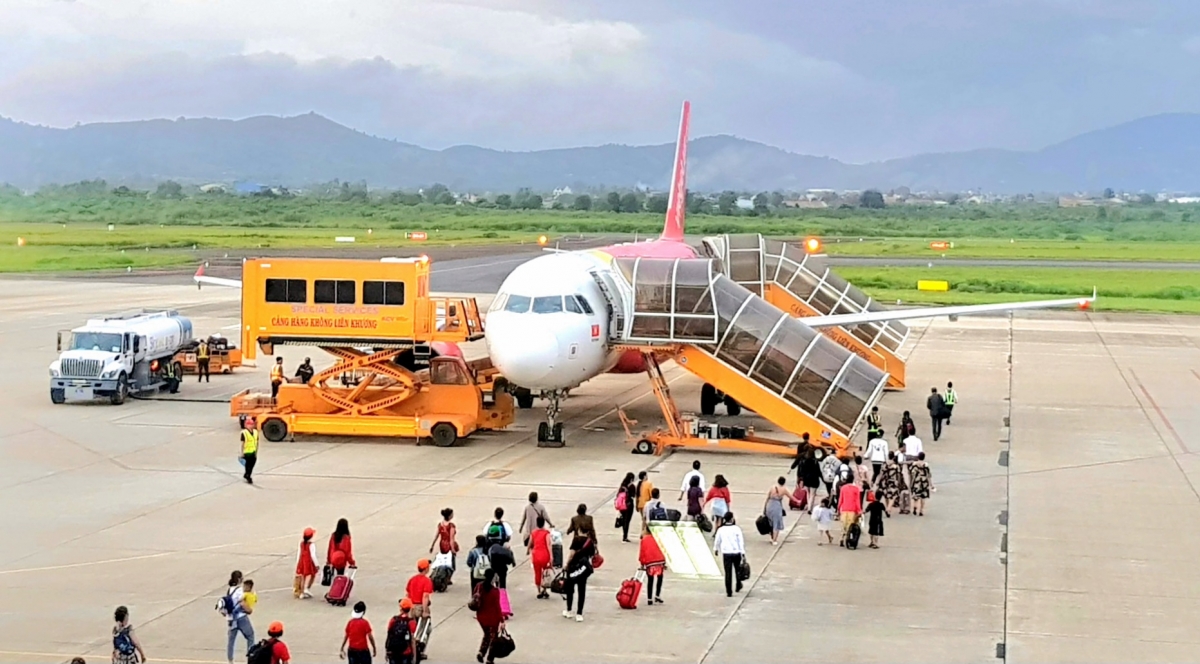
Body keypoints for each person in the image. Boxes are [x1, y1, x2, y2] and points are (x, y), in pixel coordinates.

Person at [473, 570, 505, 664]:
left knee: (487, 635)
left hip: (481, 616)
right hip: (492, 618)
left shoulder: (479, 586)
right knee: (493, 638)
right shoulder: (495, 591)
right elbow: (497, 607)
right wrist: (502, 620)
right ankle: (489, 659)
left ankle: (481, 652)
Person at [223, 570, 254, 664]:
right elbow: (242, 603)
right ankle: (251, 659)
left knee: (231, 640)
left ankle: (230, 660)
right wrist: (249, 610)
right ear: (239, 579)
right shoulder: (240, 590)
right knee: (250, 636)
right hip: (241, 617)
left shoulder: (230, 590)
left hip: (231, 618)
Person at [712, 512, 746, 598]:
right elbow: (740, 542)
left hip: (726, 553)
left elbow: (717, 540)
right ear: (732, 519)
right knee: (738, 570)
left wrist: (716, 549)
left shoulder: (721, 529)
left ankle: (729, 591)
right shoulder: (736, 529)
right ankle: (738, 584)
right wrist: (743, 552)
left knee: (728, 572)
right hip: (736, 552)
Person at [563, 533, 595, 622]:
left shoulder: (576, 539)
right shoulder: (590, 541)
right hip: (583, 568)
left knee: (570, 589)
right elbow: (592, 555)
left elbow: (571, 554)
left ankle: (569, 610)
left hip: (573, 567)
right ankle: (579, 613)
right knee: (582, 590)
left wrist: (566, 564)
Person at [639, 530, 667, 605]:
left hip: (649, 562)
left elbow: (642, 552)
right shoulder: (660, 538)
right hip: (659, 560)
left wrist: (642, 563)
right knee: (660, 577)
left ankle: (649, 598)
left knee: (650, 580)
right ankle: (657, 595)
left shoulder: (644, 539)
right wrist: (664, 562)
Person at [385, 600, 417, 664]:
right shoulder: (411, 622)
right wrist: (414, 656)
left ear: (401, 608)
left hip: (393, 651)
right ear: (410, 609)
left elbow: (389, 635)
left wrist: (387, 651)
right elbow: (412, 640)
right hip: (406, 652)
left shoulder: (393, 620)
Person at [429, 508, 458, 574]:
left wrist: (432, 545)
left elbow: (436, 536)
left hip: (442, 544)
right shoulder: (451, 526)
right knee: (451, 562)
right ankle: (448, 577)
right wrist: (453, 549)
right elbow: (451, 538)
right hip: (448, 545)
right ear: (450, 516)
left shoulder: (440, 524)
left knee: (443, 560)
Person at [529, 516, 552, 598]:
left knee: (537, 573)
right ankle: (544, 590)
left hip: (536, 555)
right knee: (545, 573)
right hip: (545, 555)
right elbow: (548, 545)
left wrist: (528, 550)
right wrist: (551, 557)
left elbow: (530, 543)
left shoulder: (533, 532)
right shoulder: (546, 533)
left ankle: (539, 591)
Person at [837, 478, 863, 547]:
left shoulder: (843, 488)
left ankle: (841, 538)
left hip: (844, 509)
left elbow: (840, 499)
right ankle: (848, 539)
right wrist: (859, 510)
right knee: (850, 526)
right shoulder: (856, 489)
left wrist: (838, 508)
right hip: (853, 510)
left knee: (843, 525)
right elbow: (857, 500)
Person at [295, 527, 319, 599]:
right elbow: (312, 555)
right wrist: (316, 564)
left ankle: (302, 592)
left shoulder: (301, 544)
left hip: (302, 561)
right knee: (311, 575)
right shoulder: (311, 545)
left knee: (303, 576)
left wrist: (298, 562)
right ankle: (306, 588)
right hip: (308, 562)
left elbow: (299, 553)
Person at [764, 477, 788, 545]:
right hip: (777, 506)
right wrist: (798, 501)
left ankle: (771, 537)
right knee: (776, 523)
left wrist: (765, 508)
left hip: (769, 505)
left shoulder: (772, 488)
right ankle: (774, 540)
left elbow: (767, 497)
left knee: (770, 522)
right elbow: (791, 497)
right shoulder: (784, 490)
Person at [799, 448, 823, 514]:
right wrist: (822, 478)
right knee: (812, 494)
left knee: (808, 494)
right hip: (814, 479)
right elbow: (819, 471)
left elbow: (802, 472)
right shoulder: (815, 462)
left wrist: (801, 480)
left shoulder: (804, 461)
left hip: (806, 479)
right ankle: (810, 508)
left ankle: (808, 506)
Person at [910, 452, 934, 516]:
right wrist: (931, 485)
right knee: (923, 497)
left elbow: (912, 473)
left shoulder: (914, 464)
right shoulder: (926, 465)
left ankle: (915, 507)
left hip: (917, 481)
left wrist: (911, 483)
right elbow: (928, 475)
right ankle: (921, 510)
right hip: (924, 482)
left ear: (918, 457)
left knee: (915, 495)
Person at [617, 472, 637, 542]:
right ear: (631, 479)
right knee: (627, 521)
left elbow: (618, 495)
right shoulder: (632, 486)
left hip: (622, 505)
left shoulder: (622, 485)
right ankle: (625, 536)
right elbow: (633, 495)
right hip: (629, 505)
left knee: (624, 519)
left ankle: (624, 534)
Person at [240, 418, 258, 484]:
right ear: (246, 425)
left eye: (252, 424)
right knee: (248, 465)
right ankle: (248, 476)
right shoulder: (244, 433)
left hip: (253, 450)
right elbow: (242, 443)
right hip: (247, 451)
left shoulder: (256, 432)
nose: (251, 426)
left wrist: (256, 451)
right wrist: (242, 453)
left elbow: (257, 442)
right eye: (249, 424)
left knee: (252, 464)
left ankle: (247, 474)